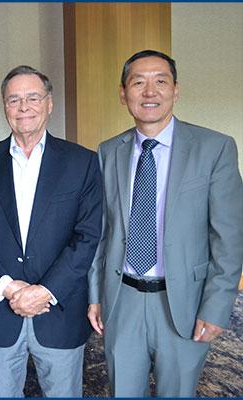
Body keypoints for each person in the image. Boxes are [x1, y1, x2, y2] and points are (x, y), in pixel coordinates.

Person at [88, 49, 243, 397]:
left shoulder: (214, 148)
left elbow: (229, 239)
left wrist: (217, 308)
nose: (150, 92)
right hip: (122, 298)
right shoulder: (108, 151)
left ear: (176, 90)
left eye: (161, 81)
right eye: (138, 82)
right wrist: (95, 294)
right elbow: (100, 232)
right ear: (123, 93)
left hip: (185, 302)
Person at [0, 65, 102, 397]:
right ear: (4, 106)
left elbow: (87, 237)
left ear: (49, 103)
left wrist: (44, 291)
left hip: (59, 311)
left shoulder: (82, 163)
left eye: (32, 97)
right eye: (14, 99)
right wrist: (10, 289)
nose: (23, 107)